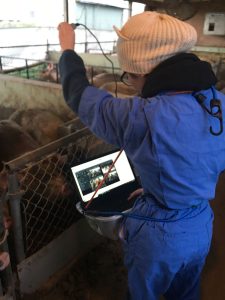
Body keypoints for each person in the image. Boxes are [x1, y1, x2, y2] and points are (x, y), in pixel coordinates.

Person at [58, 11, 225, 300]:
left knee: (144, 293)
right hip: (201, 222)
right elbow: (192, 157)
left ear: (142, 71)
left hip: (160, 236)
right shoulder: (217, 101)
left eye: (129, 77)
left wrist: (68, 49)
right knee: (186, 292)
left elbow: (77, 92)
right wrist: (157, 188)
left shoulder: (141, 116)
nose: (131, 84)